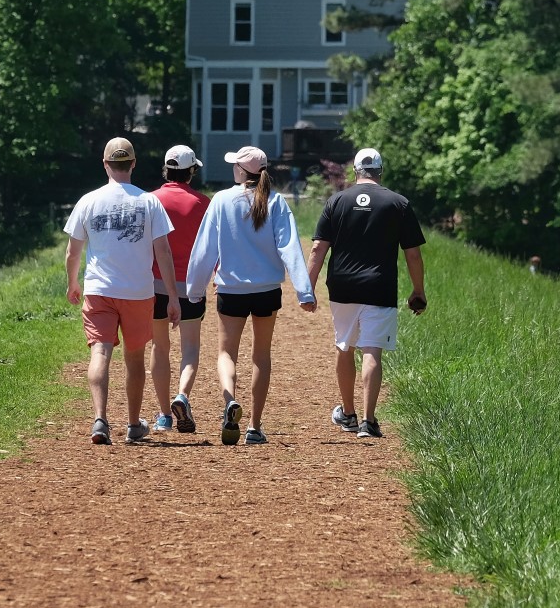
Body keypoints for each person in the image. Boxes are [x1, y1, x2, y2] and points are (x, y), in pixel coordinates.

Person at [185, 145, 317, 445]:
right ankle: (255, 427)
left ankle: (230, 401)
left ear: (241, 171)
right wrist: (304, 291)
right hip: (267, 290)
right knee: (261, 355)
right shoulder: (277, 202)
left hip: (231, 289)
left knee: (226, 352)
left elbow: (205, 249)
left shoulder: (221, 200)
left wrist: (194, 289)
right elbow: (290, 247)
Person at [65, 137, 180, 445]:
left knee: (100, 352)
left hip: (100, 290)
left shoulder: (88, 201)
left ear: (105, 164)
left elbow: (72, 251)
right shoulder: (149, 202)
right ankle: (133, 424)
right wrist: (171, 295)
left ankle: (100, 419)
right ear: (133, 164)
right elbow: (164, 253)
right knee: (134, 358)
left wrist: (72, 283)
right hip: (138, 292)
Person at [306, 147, 426, 440]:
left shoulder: (336, 201)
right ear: (380, 171)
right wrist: (418, 291)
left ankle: (348, 414)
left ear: (356, 172)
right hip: (380, 286)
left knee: (344, 346)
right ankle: (368, 422)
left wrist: (306, 288)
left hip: (342, 286)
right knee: (372, 349)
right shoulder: (398, 203)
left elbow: (317, 248)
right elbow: (413, 255)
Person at [148, 144, 212, 433]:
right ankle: (182, 395)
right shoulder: (203, 204)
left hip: (154, 285)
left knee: (160, 347)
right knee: (190, 348)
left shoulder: (150, 200)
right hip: (191, 286)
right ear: (191, 171)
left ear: (166, 169)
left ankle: (164, 415)